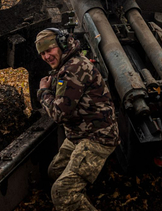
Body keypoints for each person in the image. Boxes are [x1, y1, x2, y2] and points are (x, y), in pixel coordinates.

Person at [35, 28, 119, 211]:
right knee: (55, 171)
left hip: (97, 137)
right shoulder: (67, 65)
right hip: (80, 135)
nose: (46, 57)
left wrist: (43, 92)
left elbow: (59, 113)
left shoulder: (73, 68)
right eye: (42, 53)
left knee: (62, 192)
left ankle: (72, 200)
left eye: (49, 50)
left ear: (62, 45)